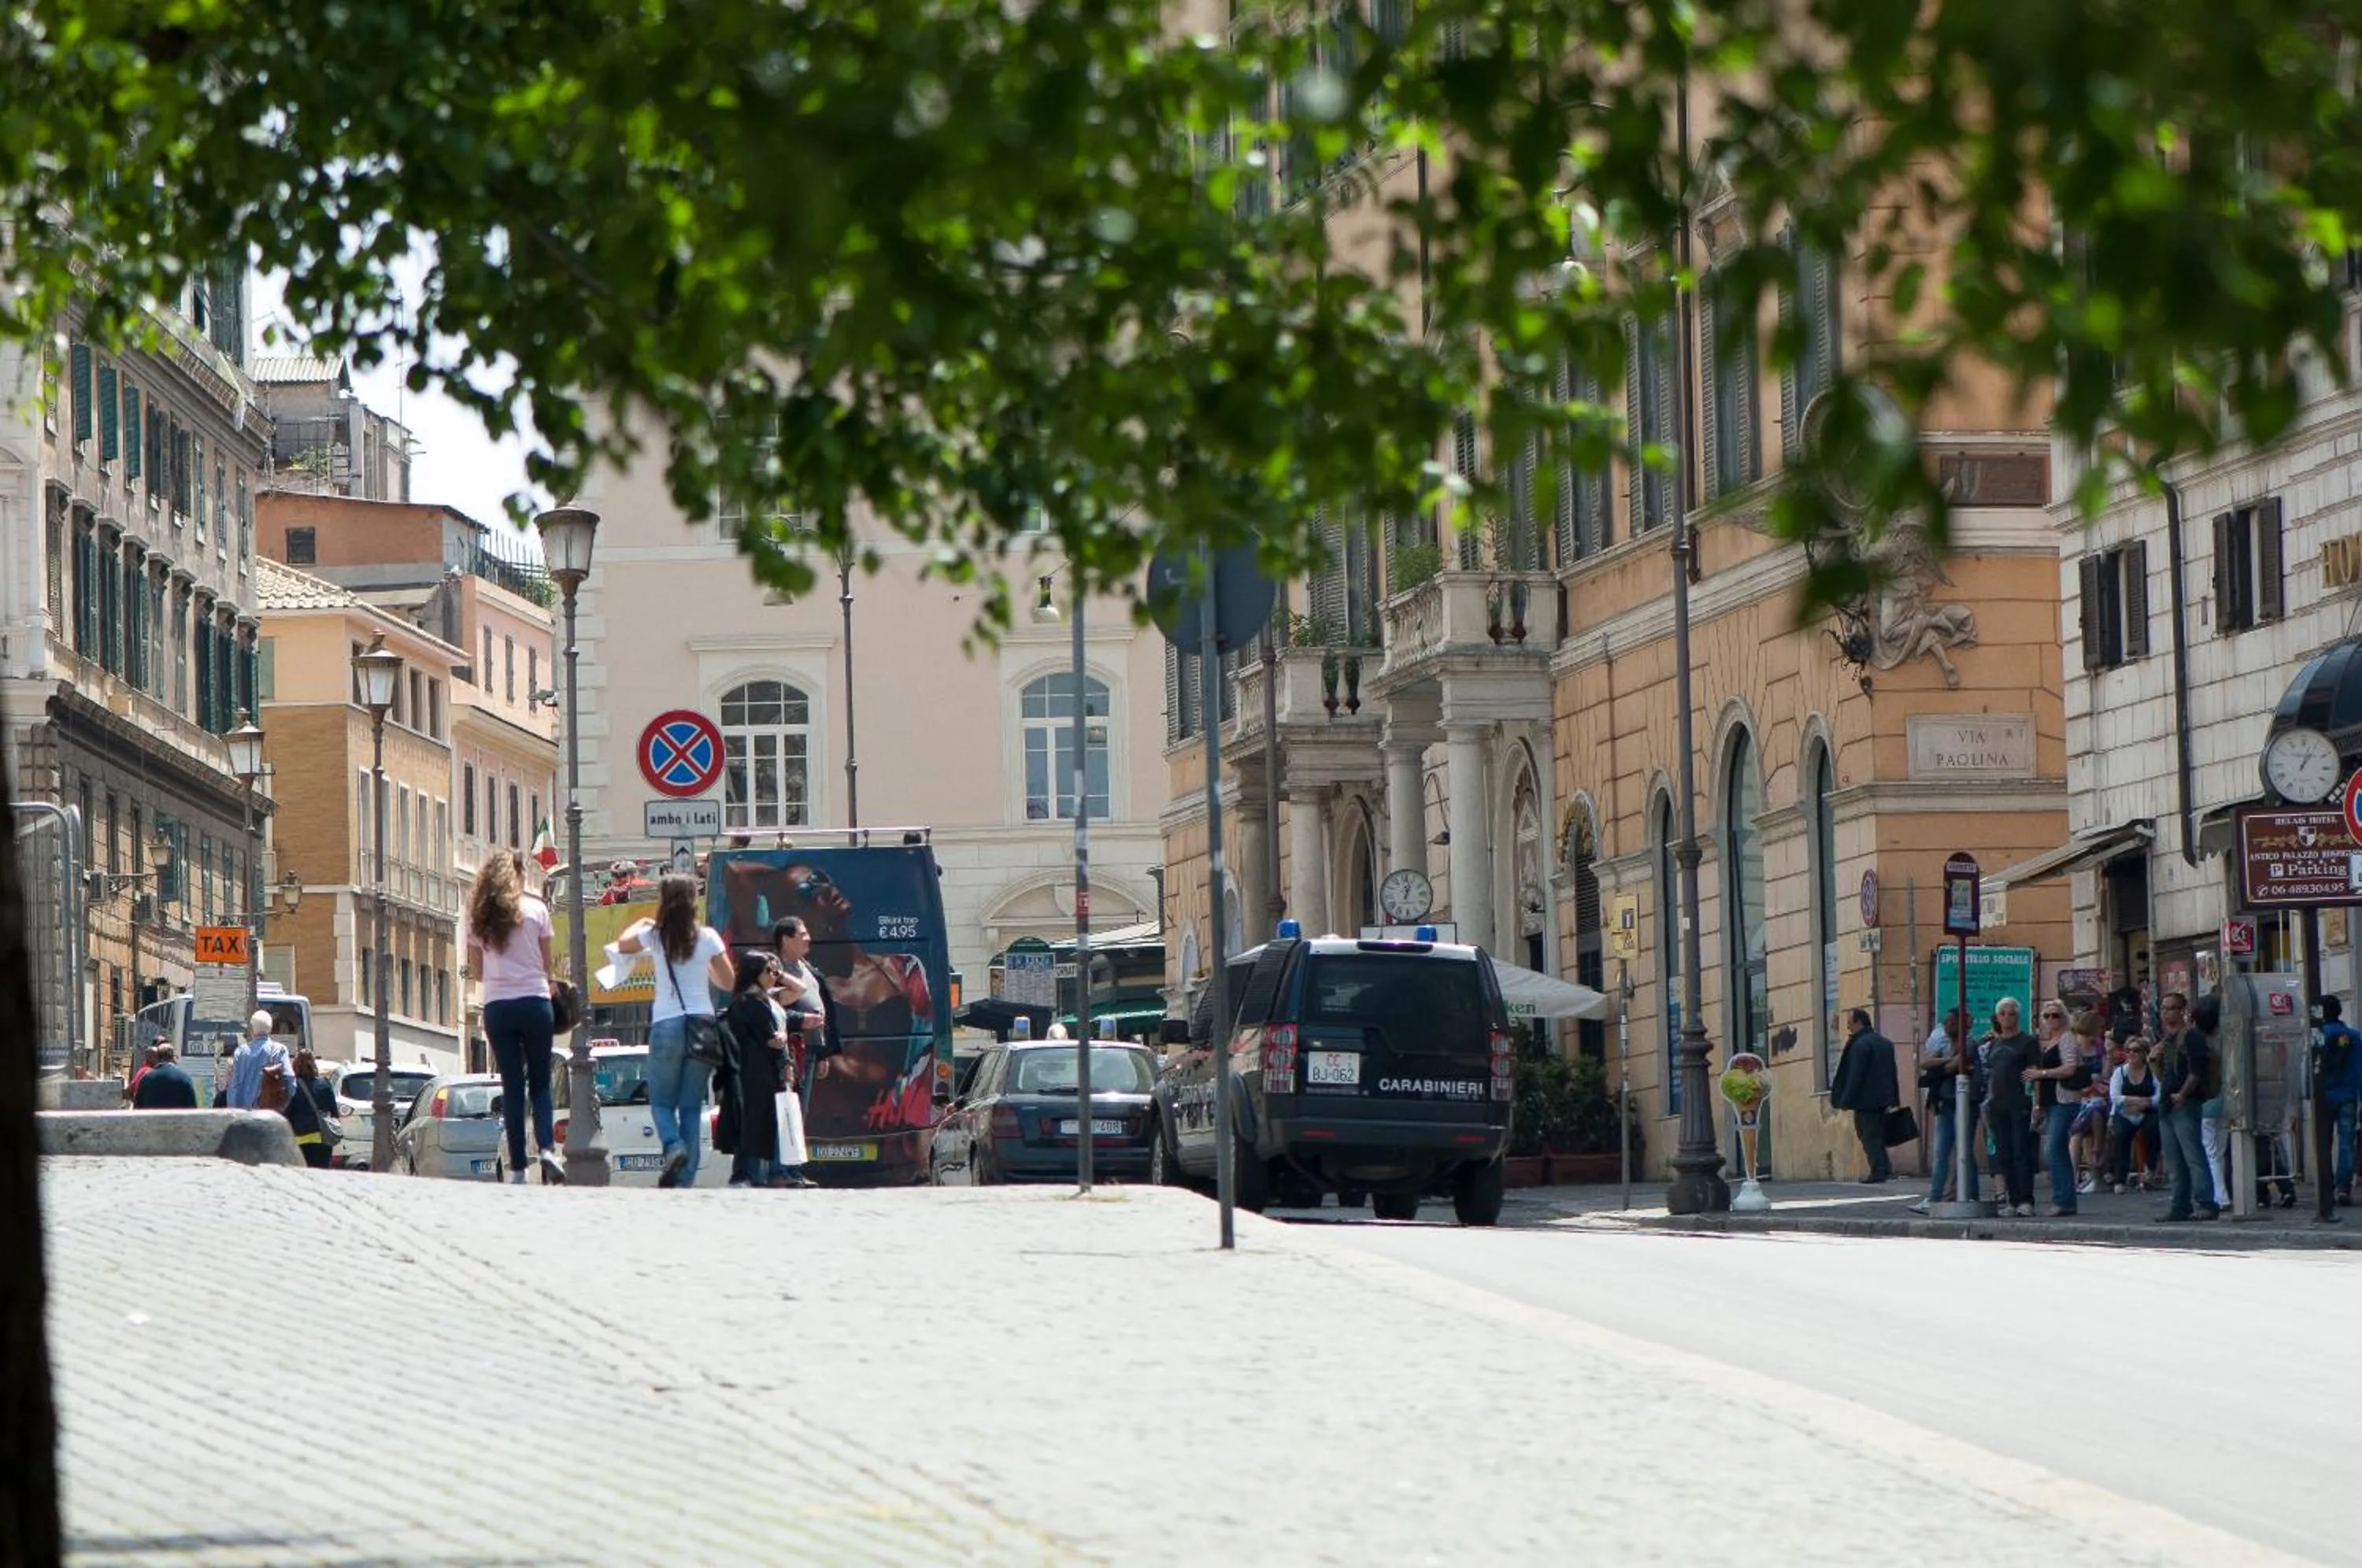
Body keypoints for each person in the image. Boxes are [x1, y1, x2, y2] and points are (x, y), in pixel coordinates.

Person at [615, 875, 732, 1188]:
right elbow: (729, 982)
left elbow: (622, 944)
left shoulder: (656, 936)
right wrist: (705, 969)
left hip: (667, 1024)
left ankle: (672, 1145)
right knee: (691, 1107)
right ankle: (685, 1182)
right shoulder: (708, 938)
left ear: (663, 901)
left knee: (662, 1103)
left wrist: (643, 919)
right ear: (695, 901)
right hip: (701, 1025)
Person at [467, 849, 564, 1187]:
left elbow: (477, 971)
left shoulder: (480, 916)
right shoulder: (537, 909)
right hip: (536, 1002)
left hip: (498, 1006)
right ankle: (548, 1150)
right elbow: (547, 966)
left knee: (512, 1086)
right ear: (521, 876)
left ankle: (519, 1168)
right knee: (540, 1083)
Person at [721, 951, 796, 1189]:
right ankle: (749, 1175)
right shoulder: (748, 1003)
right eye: (769, 972)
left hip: (757, 1072)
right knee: (755, 1124)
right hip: (753, 1073)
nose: (774, 976)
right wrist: (779, 1040)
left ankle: (753, 1175)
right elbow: (769, 1038)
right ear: (755, 973)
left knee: (758, 1123)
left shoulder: (752, 1001)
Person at [2154, 992, 2217, 1222]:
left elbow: (2197, 1071)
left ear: (2182, 1011)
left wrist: (2183, 1094)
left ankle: (2206, 1203)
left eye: (2171, 1008)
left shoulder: (2191, 1036)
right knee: (2174, 1160)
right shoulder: (2167, 1040)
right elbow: (2165, 1076)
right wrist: (2154, 1060)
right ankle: (2180, 1205)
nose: (2165, 1012)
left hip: (2186, 1102)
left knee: (2193, 1156)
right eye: (2163, 1008)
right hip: (2167, 1103)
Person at [2030, 1007, 2097, 1216]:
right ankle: (2065, 1199)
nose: (2051, 1019)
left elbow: (2070, 1068)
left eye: (2055, 1015)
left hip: (2065, 1100)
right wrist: (2039, 1105)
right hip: (2051, 1101)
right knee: (2057, 1149)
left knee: (2054, 1148)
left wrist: (2042, 1073)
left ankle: (2064, 1200)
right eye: (2047, 1015)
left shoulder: (2066, 1038)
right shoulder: (2049, 1042)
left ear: (2064, 1017)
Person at [1909, 1008, 1975, 1215]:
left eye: (1951, 1022)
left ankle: (1971, 1194)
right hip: (1945, 1103)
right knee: (1941, 1153)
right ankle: (1935, 1197)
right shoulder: (1946, 1045)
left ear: (1961, 1024)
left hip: (1964, 1103)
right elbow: (1925, 1063)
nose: (1947, 1026)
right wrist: (1946, 1061)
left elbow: (1950, 1068)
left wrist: (1943, 1064)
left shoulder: (1969, 1044)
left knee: (1965, 1152)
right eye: (1945, 1022)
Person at [1830, 1008, 1899, 1184]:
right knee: (1878, 1136)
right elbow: (1892, 1073)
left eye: (1849, 1024)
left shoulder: (1860, 1044)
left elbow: (1856, 1075)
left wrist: (1846, 1100)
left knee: (1868, 1136)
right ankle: (1885, 1169)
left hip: (1865, 1100)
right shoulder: (1885, 1043)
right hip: (1883, 1098)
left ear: (1859, 1022)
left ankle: (1879, 1171)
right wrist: (1894, 1098)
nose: (1848, 1028)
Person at [1983, 997, 2038, 1217]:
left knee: (2021, 1152)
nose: (2007, 1017)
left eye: (2011, 1013)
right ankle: (2012, 1201)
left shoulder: (2028, 1042)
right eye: (2003, 1013)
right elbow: (1990, 1074)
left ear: (2018, 1016)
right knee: (2004, 1154)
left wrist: (2037, 1105)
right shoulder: (1994, 1044)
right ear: (1997, 1017)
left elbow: (2034, 1073)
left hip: (2021, 1104)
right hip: (1998, 1106)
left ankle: (2026, 1200)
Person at [2317, 994, 2362, 1207]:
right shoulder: (2354, 1036)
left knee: (2323, 1143)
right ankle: (2343, 1186)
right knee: (2346, 1143)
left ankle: (2325, 1186)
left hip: (2323, 1096)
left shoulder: (2319, 1035)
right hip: (2348, 1095)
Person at [2106, 1037, 2163, 1193]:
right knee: (2121, 1134)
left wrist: (2147, 1103)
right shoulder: (2120, 1072)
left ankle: (2151, 1169)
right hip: (2125, 1112)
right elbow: (2115, 1097)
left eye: (2136, 1050)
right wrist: (2137, 1100)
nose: (2132, 1054)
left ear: (2145, 1053)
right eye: (2128, 1050)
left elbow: (2160, 1095)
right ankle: (2119, 1179)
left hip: (2147, 1111)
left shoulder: (2152, 1071)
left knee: (2153, 1130)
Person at [2193, 993, 2230, 1210]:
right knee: (2220, 1151)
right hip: (2227, 1099)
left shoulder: (2198, 1040)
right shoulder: (2228, 1037)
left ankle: (2220, 1195)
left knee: (2210, 1151)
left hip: (2205, 1101)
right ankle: (2222, 1193)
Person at [280, 1048, 341, 1170]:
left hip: (299, 1141)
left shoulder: (293, 1088)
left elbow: (287, 1114)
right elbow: (334, 1112)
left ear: (295, 1064)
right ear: (314, 1064)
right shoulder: (324, 1084)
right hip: (322, 1139)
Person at [224, 1011, 293, 1111]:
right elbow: (290, 1080)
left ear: (252, 1029)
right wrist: (282, 1105)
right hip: (271, 1115)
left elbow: (234, 1087)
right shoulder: (279, 1050)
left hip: (245, 1115)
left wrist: (233, 1112)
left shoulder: (241, 1052)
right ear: (270, 1028)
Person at [129, 1042, 198, 1110]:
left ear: (157, 1058)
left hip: (152, 1120)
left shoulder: (146, 1078)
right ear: (173, 1058)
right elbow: (192, 1107)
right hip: (177, 1120)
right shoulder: (184, 1078)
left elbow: (137, 1107)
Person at [124, 1037, 162, 1105]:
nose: (160, 1059)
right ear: (150, 1057)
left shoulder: (143, 1069)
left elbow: (129, 1091)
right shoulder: (147, 1071)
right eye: (157, 1057)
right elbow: (129, 1091)